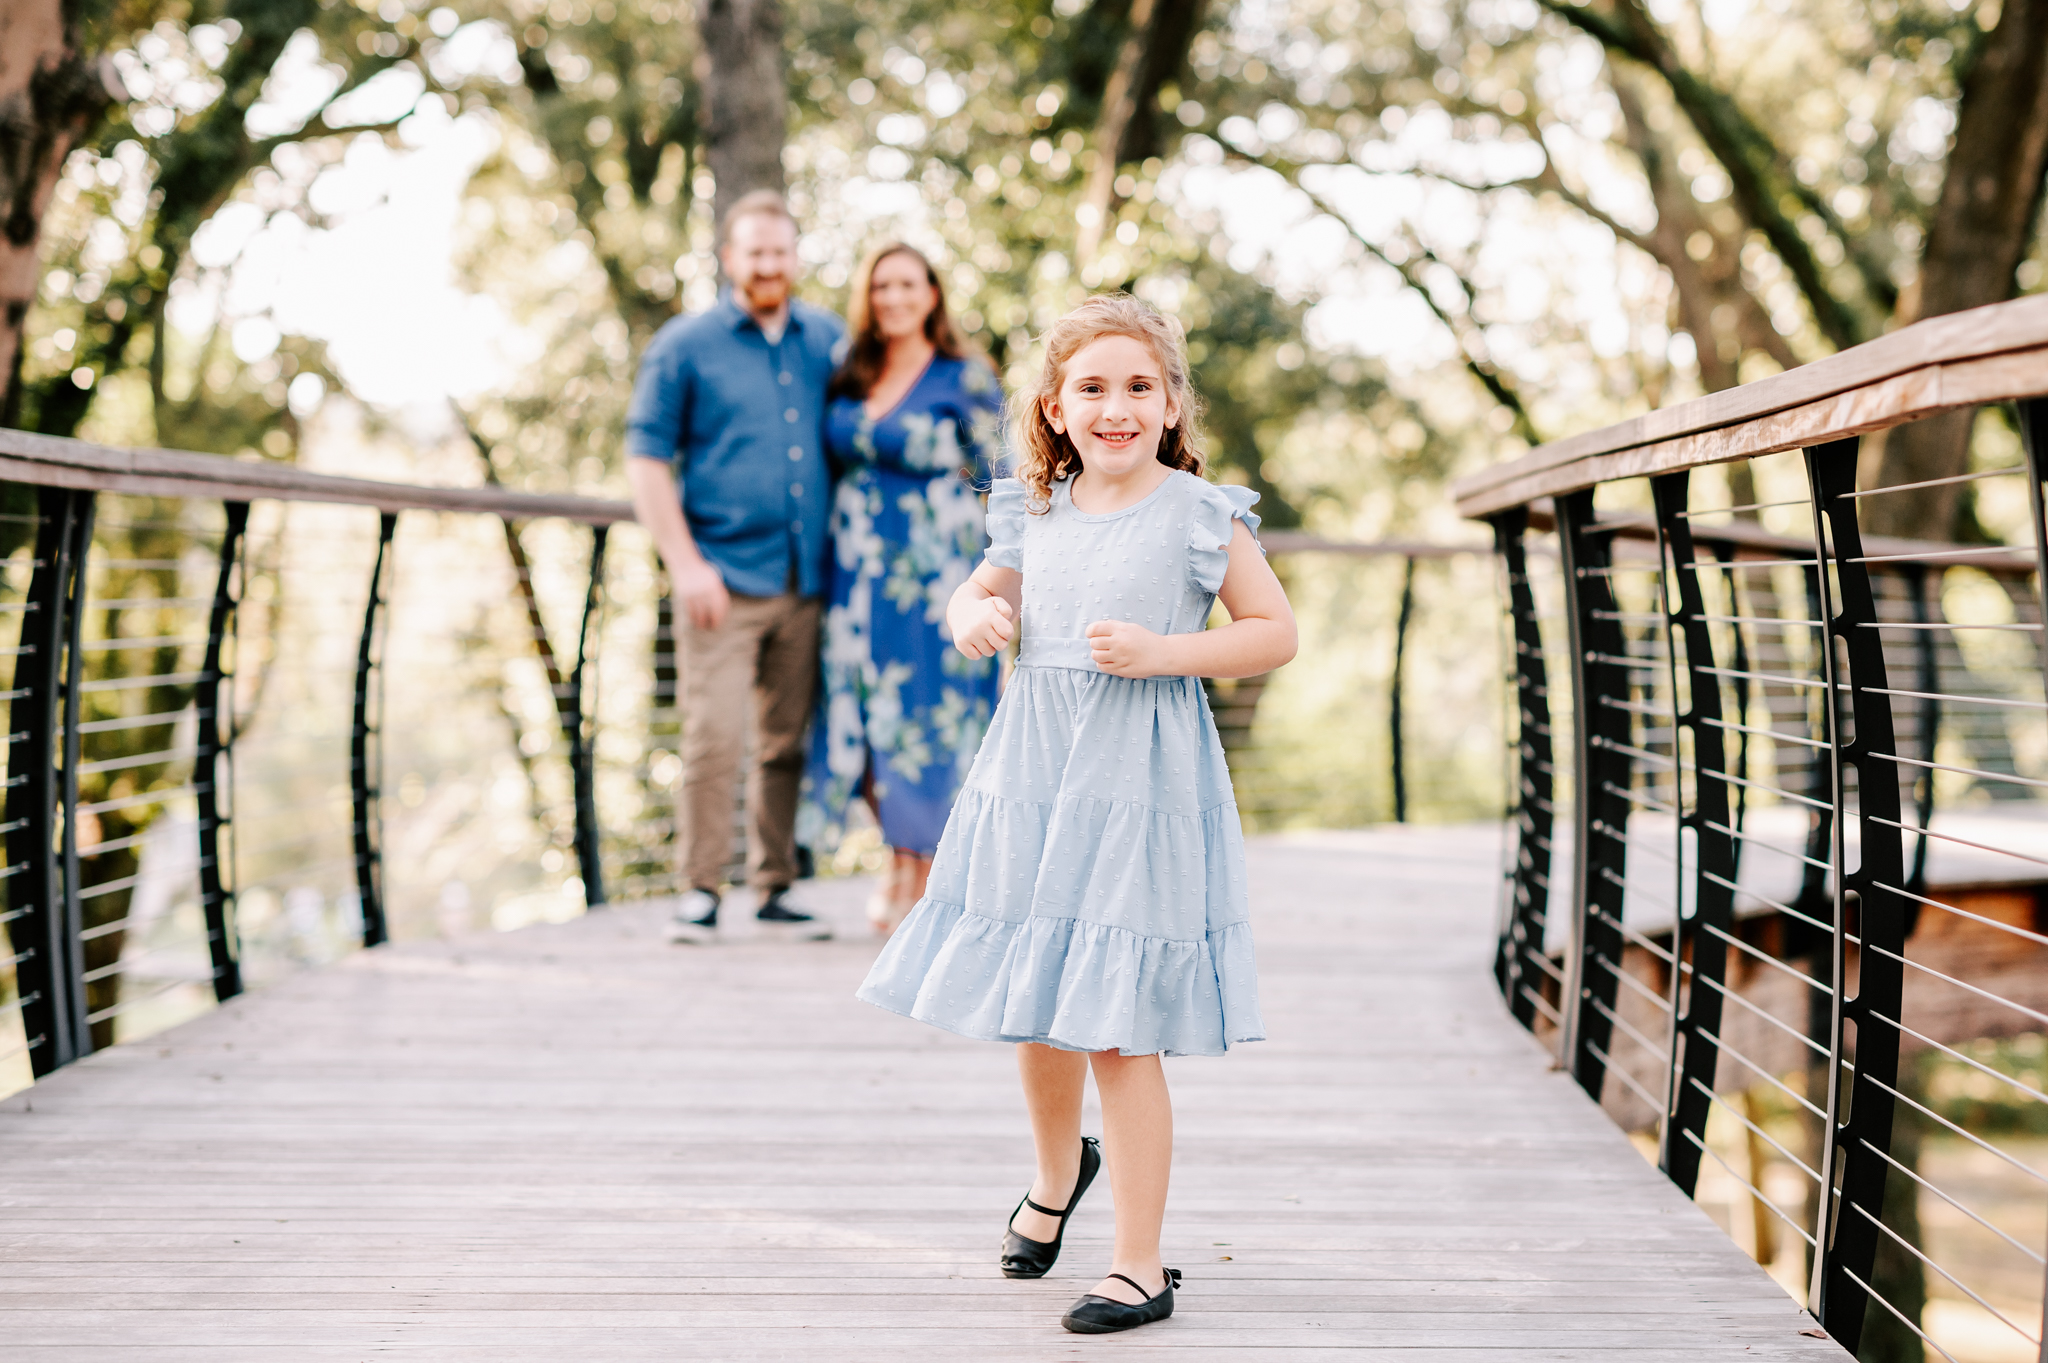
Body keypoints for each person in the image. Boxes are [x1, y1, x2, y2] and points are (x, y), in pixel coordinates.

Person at [854, 293, 1298, 1334]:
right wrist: (972, 615)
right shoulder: (1033, 510)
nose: (1114, 408)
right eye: (1090, 388)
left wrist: (1165, 652)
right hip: (1032, 776)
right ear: (1053, 408)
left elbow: (1270, 631)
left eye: (1137, 387)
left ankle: (1138, 1265)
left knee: (1112, 1021)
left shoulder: (1199, 515)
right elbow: (972, 592)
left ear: (1170, 403)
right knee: (1034, 991)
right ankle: (1058, 1171)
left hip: (1136, 786)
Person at [624, 190, 843, 944]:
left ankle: (775, 886)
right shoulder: (684, 345)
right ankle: (700, 890)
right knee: (713, 737)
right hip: (719, 576)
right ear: (729, 259)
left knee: (788, 742)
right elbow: (647, 459)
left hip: (809, 578)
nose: (768, 265)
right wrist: (684, 564)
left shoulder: (828, 339)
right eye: (754, 252)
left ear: (796, 257)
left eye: (780, 252)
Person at [801, 242, 1004, 936]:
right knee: (863, 715)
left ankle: (923, 875)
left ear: (933, 293)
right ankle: (898, 859)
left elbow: (1004, 477)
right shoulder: (850, 372)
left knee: (928, 716)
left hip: (935, 578)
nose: (894, 297)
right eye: (882, 285)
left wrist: (1004, 581)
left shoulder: (965, 376)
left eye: (908, 284)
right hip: (855, 576)